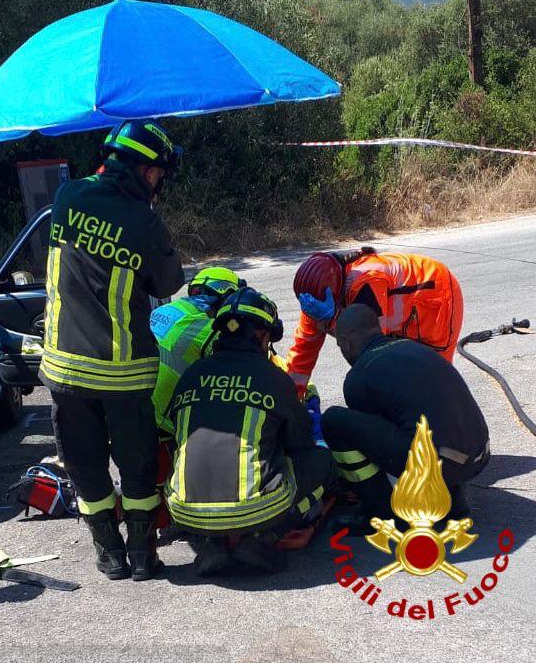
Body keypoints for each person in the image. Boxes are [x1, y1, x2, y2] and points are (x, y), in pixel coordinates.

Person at [40, 119, 185, 581]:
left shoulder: (66, 198)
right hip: (123, 372)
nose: (159, 184)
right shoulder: (144, 220)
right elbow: (169, 282)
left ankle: (108, 553)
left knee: (85, 467)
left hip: (65, 370)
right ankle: (143, 555)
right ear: (146, 172)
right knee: (138, 468)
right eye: (159, 175)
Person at [165, 288, 335, 577]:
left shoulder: (191, 375)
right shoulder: (273, 378)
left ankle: (209, 541)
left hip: (184, 510)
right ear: (262, 336)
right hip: (255, 511)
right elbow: (300, 443)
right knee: (322, 462)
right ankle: (262, 539)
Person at [323, 305, 489, 530]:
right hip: (479, 455)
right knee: (419, 422)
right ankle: (453, 500)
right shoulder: (412, 347)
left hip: (442, 463)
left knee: (334, 421)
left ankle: (380, 513)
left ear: (346, 341)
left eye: (340, 345)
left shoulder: (359, 376)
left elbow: (374, 448)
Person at [286, 248, 464, 397]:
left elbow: (372, 349)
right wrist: (289, 402)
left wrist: (333, 320)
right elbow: (301, 357)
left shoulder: (366, 284)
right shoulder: (314, 303)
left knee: (436, 380)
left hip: (438, 295)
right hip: (402, 318)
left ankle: (460, 433)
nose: (316, 319)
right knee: (397, 383)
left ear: (335, 295)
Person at [150, 266, 242, 435]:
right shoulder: (208, 330)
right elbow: (251, 362)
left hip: (136, 408)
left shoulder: (164, 310)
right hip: (162, 426)